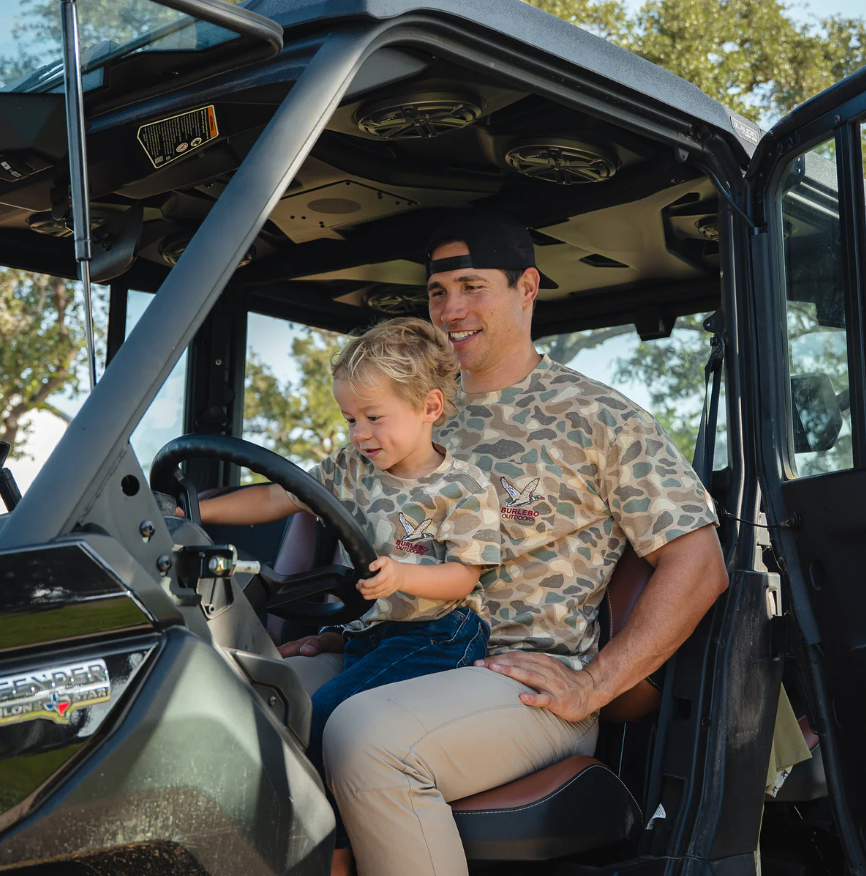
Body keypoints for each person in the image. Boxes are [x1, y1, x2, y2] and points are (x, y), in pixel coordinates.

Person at [281, 210, 729, 876]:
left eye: (471, 285)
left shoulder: (599, 418)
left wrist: (593, 684)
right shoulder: (411, 410)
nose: (451, 309)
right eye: (438, 292)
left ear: (527, 287)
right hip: (402, 655)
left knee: (366, 737)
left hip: (524, 686)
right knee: (247, 699)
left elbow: (700, 564)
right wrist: (350, 632)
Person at [199, 316, 501, 856]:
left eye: (374, 417)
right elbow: (276, 498)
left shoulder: (463, 486)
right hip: (371, 636)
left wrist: (404, 575)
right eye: (350, 418)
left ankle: (327, 854)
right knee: (263, 703)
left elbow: (464, 576)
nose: (360, 433)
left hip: (438, 635)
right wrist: (195, 509)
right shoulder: (350, 468)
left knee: (323, 714)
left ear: (430, 408)